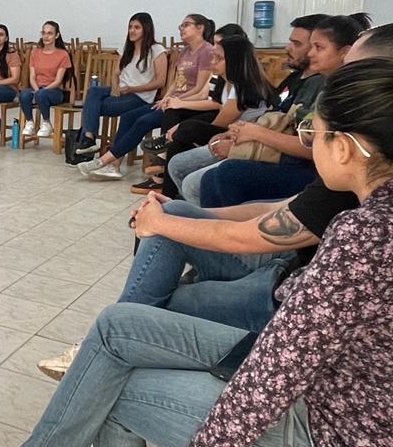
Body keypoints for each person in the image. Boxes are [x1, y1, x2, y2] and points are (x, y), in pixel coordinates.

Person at [0, 58, 393, 447]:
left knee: (112, 389)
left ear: (344, 147)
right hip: (333, 410)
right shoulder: (373, 217)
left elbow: (280, 368)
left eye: (313, 133)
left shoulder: (367, 234)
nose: (309, 142)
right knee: (117, 326)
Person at [39, 25, 393, 380]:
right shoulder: (351, 174)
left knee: (161, 289)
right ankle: (115, 336)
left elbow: (255, 235)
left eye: (352, 67)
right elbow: (283, 207)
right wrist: (193, 215)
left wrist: (166, 223)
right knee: (175, 207)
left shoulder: (364, 214)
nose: (341, 75)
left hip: (278, 296)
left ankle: (106, 345)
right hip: (282, 270)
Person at [199, 15, 360, 207]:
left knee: (226, 172)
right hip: (287, 156)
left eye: (319, 47)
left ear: (345, 52)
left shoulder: (342, 93)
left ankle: (222, 222)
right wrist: (240, 132)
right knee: (209, 178)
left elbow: (311, 147)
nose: (310, 53)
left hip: (313, 170)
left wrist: (252, 136)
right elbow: (280, 120)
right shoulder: (312, 83)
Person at [166, 17, 326, 204]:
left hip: (278, 155)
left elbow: (302, 141)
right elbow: (269, 117)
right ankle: (174, 203)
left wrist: (238, 141)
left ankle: (190, 210)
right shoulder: (294, 78)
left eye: (297, 44)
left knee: (198, 177)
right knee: (178, 155)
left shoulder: (318, 86)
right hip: (256, 137)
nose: (287, 47)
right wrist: (233, 133)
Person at [75, 13, 216, 180]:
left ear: (200, 28)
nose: (181, 29)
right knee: (127, 116)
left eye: (186, 25)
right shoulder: (185, 51)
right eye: (181, 26)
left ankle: (104, 161)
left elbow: (200, 88)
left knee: (143, 121)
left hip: (186, 105)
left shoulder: (207, 51)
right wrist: (166, 97)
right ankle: (113, 165)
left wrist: (176, 101)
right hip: (170, 101)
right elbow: (175, 82)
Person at [153, 34, 274, 197]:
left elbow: (220, 124)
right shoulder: (227, 83)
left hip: (243, 138)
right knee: (179, 138)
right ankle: (169, 196)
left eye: (219, 58)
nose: (213, 62)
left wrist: (183, 128)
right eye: (214, 57)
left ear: (234, 61)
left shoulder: (244, 86)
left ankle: (168, 191)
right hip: (232, 130)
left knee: (188, 130)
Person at [72, 13, 167, 157]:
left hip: (139, 97)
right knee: (93, 91)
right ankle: (89, 138)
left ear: (146, 29)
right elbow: (116, 74)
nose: (132, 31)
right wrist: (115, 87)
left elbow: (160, 81)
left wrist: (132, 88)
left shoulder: (156, 50)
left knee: (90, 106)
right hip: (122, 92)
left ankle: (88, 140)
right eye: (130, 27)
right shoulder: (127, 49)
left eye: (137, 27)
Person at [20, 21, 72, 137]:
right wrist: (37, 90)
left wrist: (42, 91)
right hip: (37, 88)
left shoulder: (63, 54)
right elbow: (32, 77)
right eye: (43, 33)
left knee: (41, 94)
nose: (46, 36)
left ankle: (47, 122)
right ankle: (29, 122)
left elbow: (58, 81)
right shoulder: (35, 52)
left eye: (50, 33)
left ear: (57, 35)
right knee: (24, 94)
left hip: (54, 90)